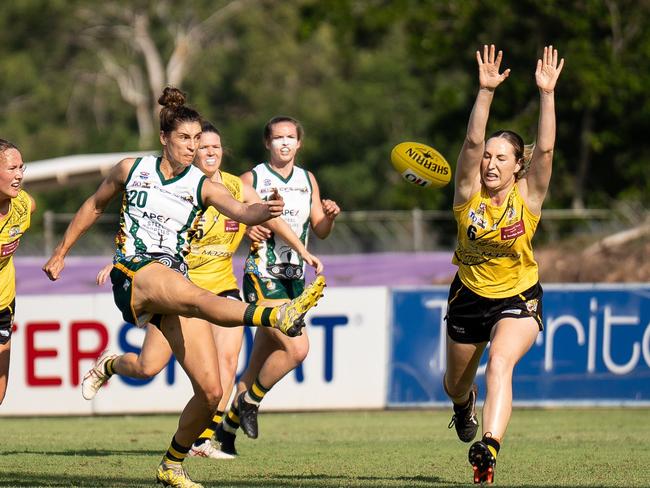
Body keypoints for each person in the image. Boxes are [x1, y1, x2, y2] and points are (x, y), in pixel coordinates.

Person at [43, 88, 326, 488]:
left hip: (174, 283)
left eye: (198, 140)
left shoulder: (204, 185)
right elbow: (94, 204)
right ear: (164, 139)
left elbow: (243, 210)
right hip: (136, 273)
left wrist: (266, 210)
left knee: (210, 391)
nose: (193, 148)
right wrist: (61, 251)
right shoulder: (130, 169)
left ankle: (171, 463)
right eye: (185, 139)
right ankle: (273, 313)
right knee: (196, 297)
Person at [443, 45, 563, 484]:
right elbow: (472, 141)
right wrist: (485, 91)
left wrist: (547, 94)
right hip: (469, 296)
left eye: (501, 158)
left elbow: (546, 151)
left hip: (518, 295)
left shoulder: (528, 198)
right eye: (488, 157)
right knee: (454, 384)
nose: (490, 163)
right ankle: (463, 405)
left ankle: (488, 448)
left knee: (501, 364)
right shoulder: (467, 195)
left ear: (518, 167)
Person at [219, 115, 340, 450]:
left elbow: (320, 229)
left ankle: (224, 433)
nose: (284, 142)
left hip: (294, 279)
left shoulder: (307, 179)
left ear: (299, 143)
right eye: (277, 137)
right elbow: (232, 217)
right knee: (296, 348)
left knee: (260, 360)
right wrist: (247, 228)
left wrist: (328, 216)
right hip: (262, 274)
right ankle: (250, 402)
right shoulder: (252, 177)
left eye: (290, 137)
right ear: (267, 143)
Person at [0, 140, 36, 406]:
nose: (20, 175)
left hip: (3, 305)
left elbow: (32, 205)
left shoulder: (22, 204)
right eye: (12, 168)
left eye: (21, 167)